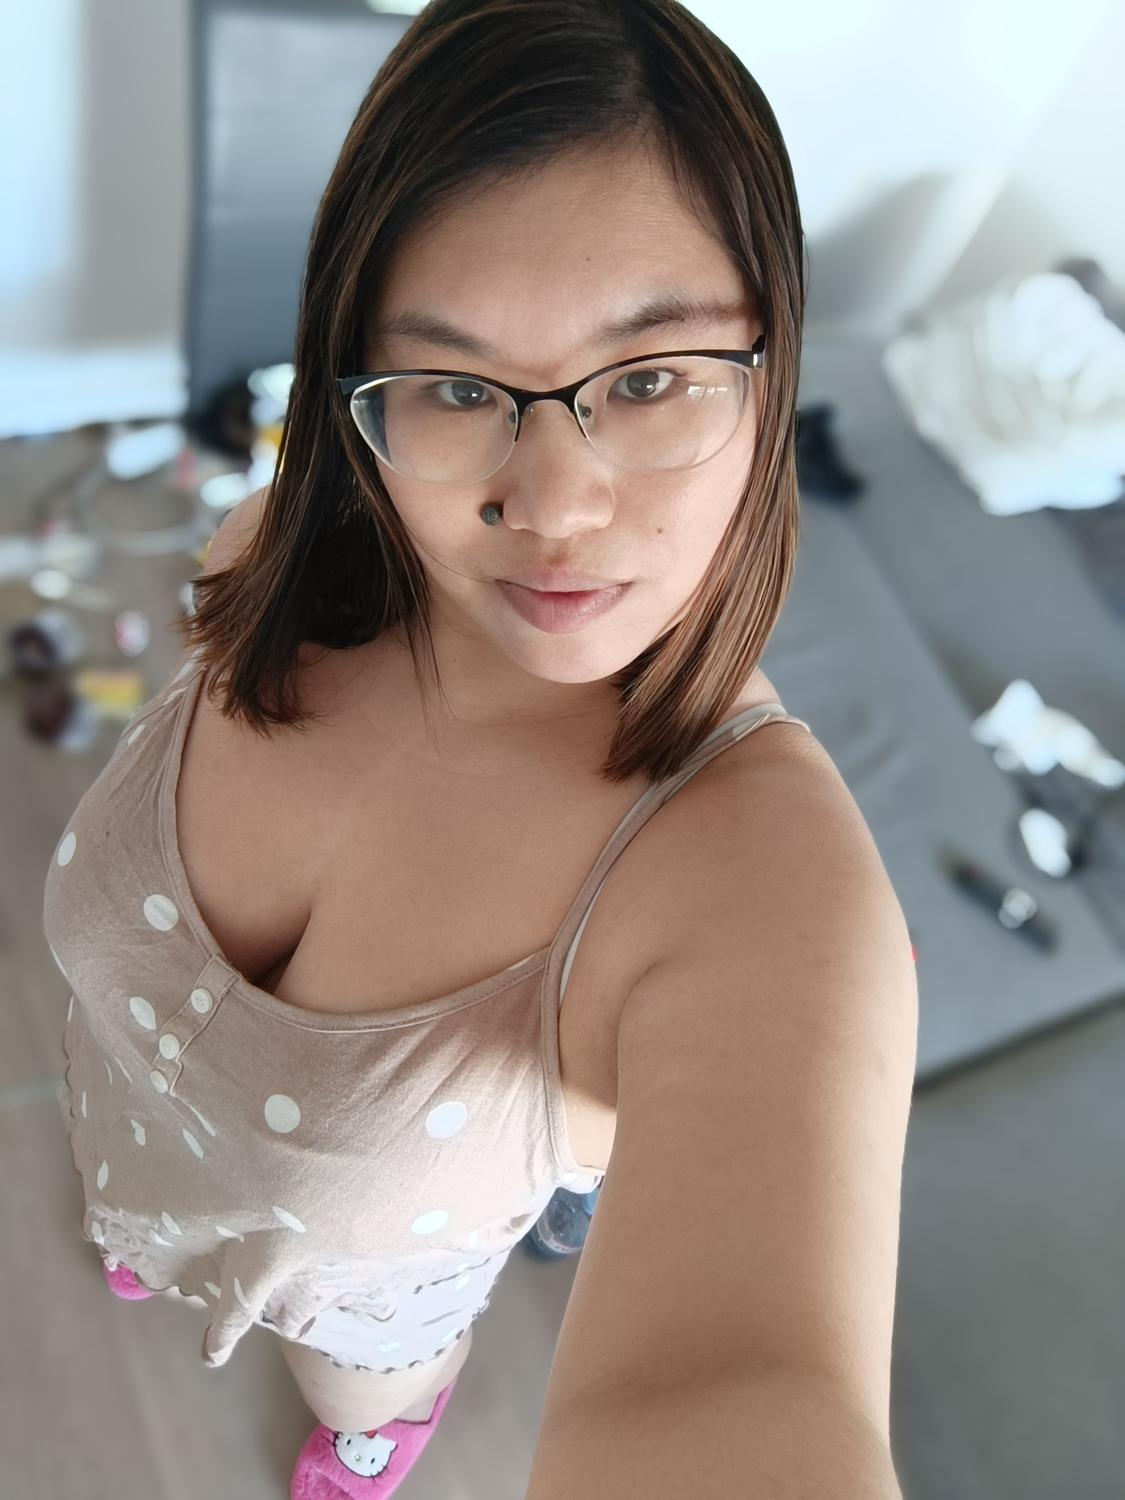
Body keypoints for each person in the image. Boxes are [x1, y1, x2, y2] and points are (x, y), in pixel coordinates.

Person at [44, 2, 916, 1496]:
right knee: (155, 1191)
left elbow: (742, 1394)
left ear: (770, 373)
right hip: (133, 1137)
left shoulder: (753, 883)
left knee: (354, 1361)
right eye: (455, 388)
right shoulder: (264, 559)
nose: (554, 505)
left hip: (357, 1306)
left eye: (648, 378)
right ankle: (168, 1233)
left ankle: (378, 1430)